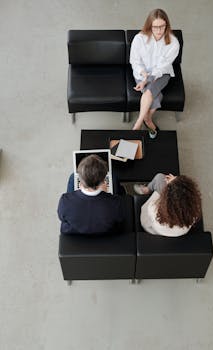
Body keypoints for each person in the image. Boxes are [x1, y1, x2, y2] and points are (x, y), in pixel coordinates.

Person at [130, 9, 180, 138]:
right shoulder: (139, 39)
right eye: (155, 27)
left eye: (162, 26)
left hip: (162, 73)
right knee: (155, 96)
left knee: (149, 90)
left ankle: (138, 123)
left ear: (166, 25)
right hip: (142, 73)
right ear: (149, 25)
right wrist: (143, 74)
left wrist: (147, 80)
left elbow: (162, 67)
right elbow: (134, 61)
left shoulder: (173, 43)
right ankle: (148, 120)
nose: (159, 30)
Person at [57, 154, 125, 234]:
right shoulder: (116, 202)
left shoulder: (65, 201)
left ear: (80, 180)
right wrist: (106, 195)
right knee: (113, 177)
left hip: (76, 234)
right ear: (103, 181)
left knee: (72, 177)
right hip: (105, 234)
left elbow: (62, 218)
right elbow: (120, 218)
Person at [134, 173, 202, 237]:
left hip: (151, 227)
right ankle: (147, 189)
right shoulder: (193, 213)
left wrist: (171, 184)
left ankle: (146, 189)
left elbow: (153, 207)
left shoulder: (153, 209)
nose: (173, 176)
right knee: (160, 179)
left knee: (160, 177)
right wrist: (173, 183)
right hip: (177, 233)